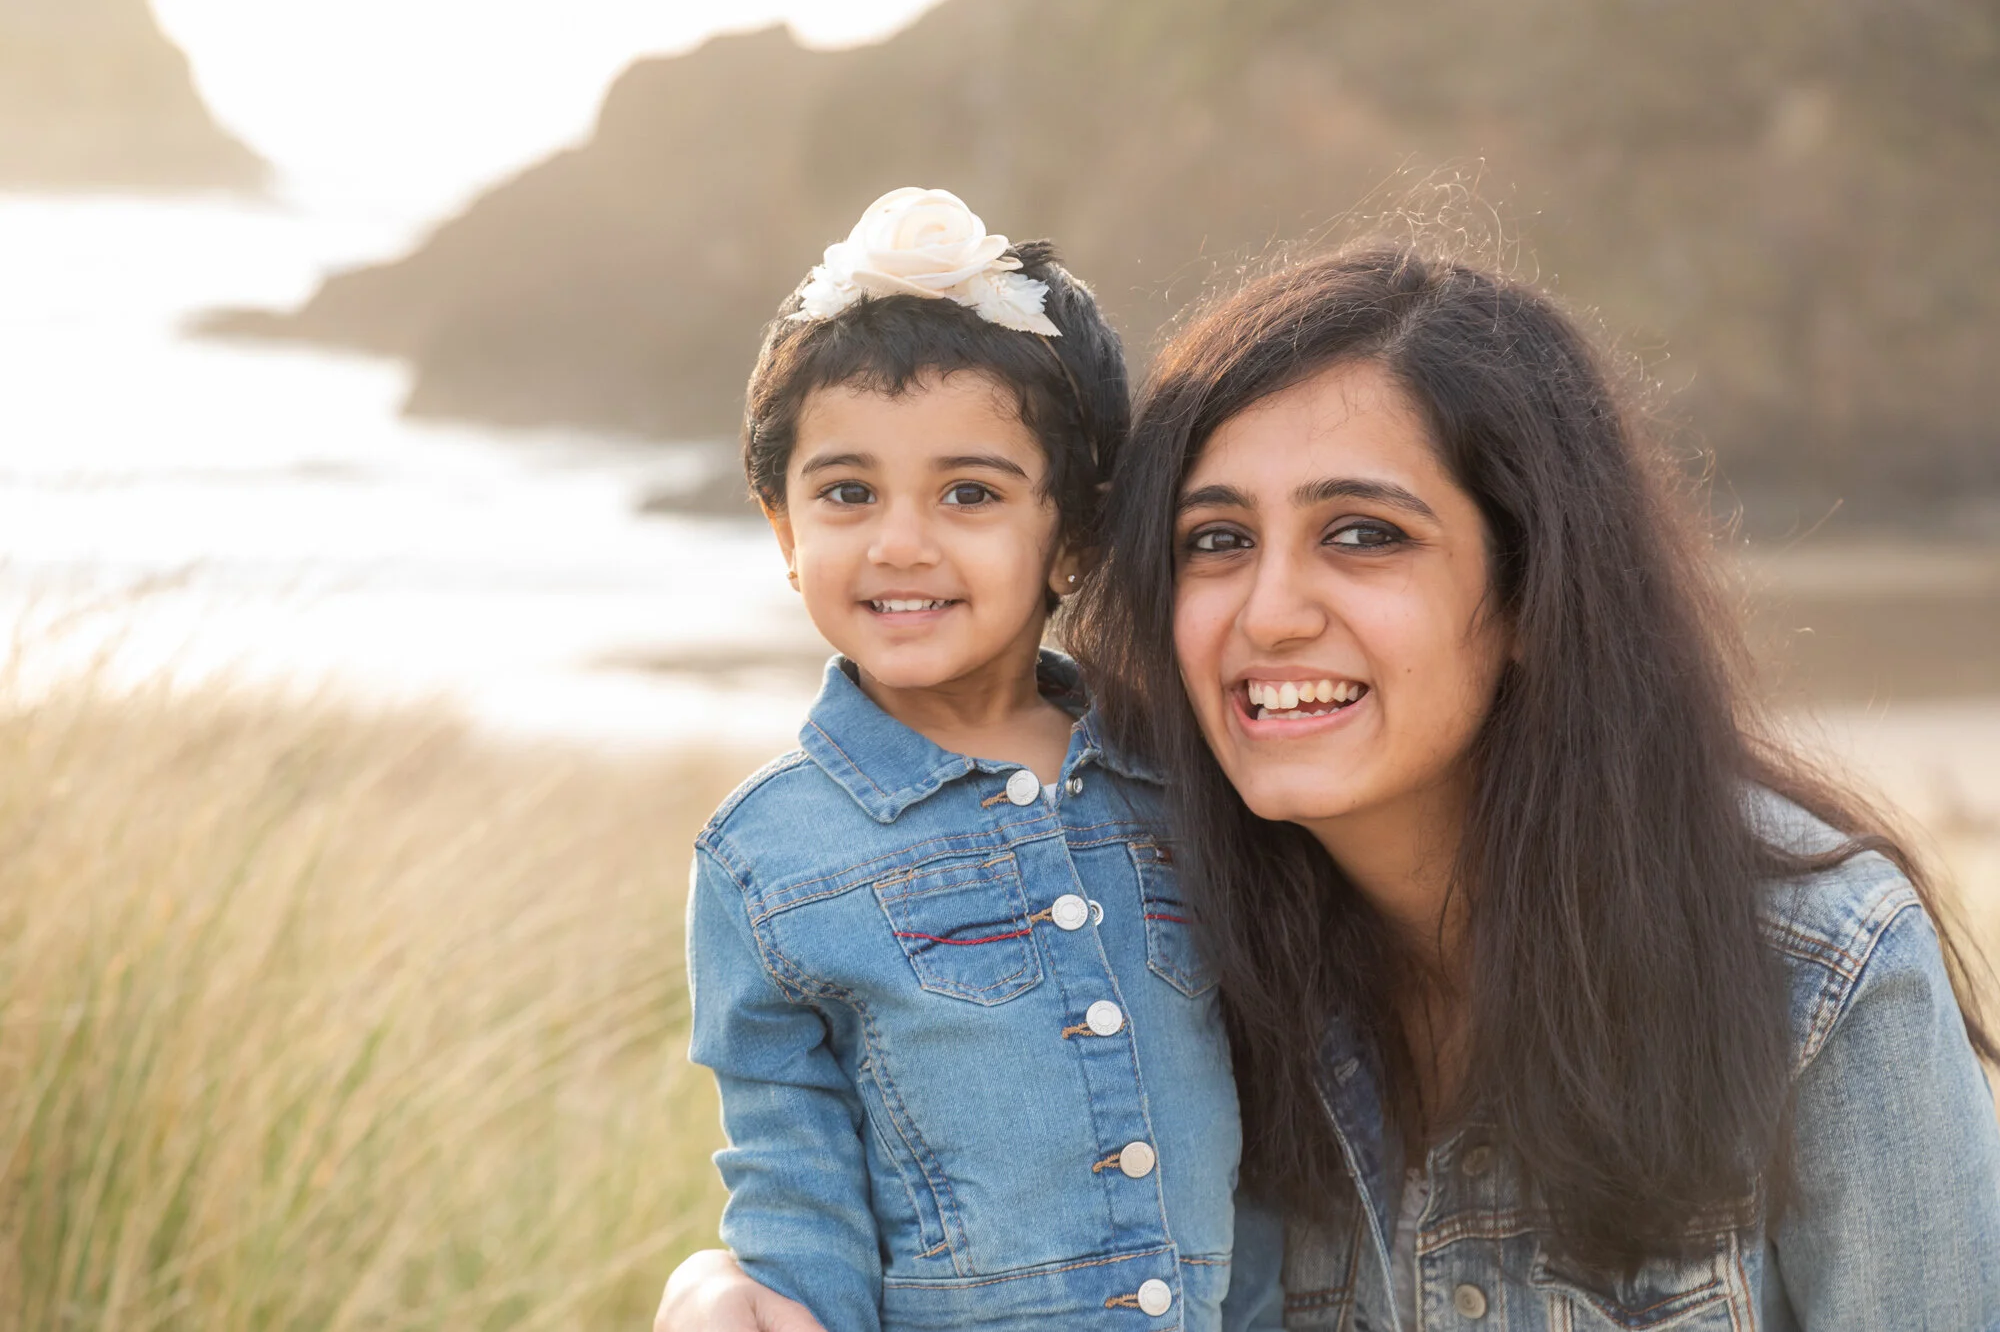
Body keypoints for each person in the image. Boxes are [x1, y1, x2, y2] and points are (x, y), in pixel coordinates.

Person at [661, 242, 2000, 1330]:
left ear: (1532, 591)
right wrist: (720, 1287)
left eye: (1363, 533)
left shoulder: (1818, 971)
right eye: (1215, 539)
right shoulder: (1176, 929)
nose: (1270, 611)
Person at [680, 185, 1282, 1332]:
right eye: (847, 492)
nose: (900, 541)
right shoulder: (764, 860)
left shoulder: (1187, 776)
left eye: (969, 493)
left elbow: (1281, 1154)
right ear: (783, 529)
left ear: (1074, 536)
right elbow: (797, 1204)